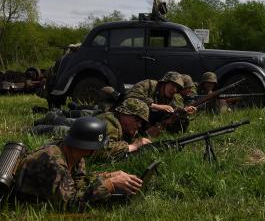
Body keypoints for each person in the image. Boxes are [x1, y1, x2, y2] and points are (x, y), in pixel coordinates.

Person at [14, 117, 143, 210]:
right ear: (89, 147)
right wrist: (109, 185)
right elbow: (69, 205)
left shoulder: (74, 153)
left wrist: (109, 176)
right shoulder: (54, 162)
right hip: (25, 204)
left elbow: (78, 182)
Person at [125, 71, 196, 133]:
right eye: (173, 85)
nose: (174, 90)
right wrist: (156, 106)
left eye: (177, 88)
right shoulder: (149, 84)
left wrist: (184, 110)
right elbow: (130, 97)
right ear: (164, 82)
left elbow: (175, 109)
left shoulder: (173, 96)